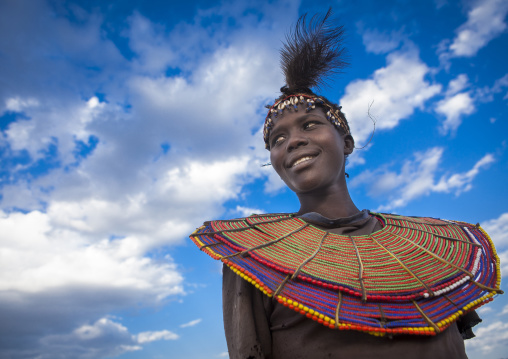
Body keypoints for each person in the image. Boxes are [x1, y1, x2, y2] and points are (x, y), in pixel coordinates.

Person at [190, 10, 502, 359]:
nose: (292, 141)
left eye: (309, 125)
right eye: (278, 138)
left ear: (347, 142)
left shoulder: (435, 249)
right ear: (274, 162)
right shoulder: (252, 257)